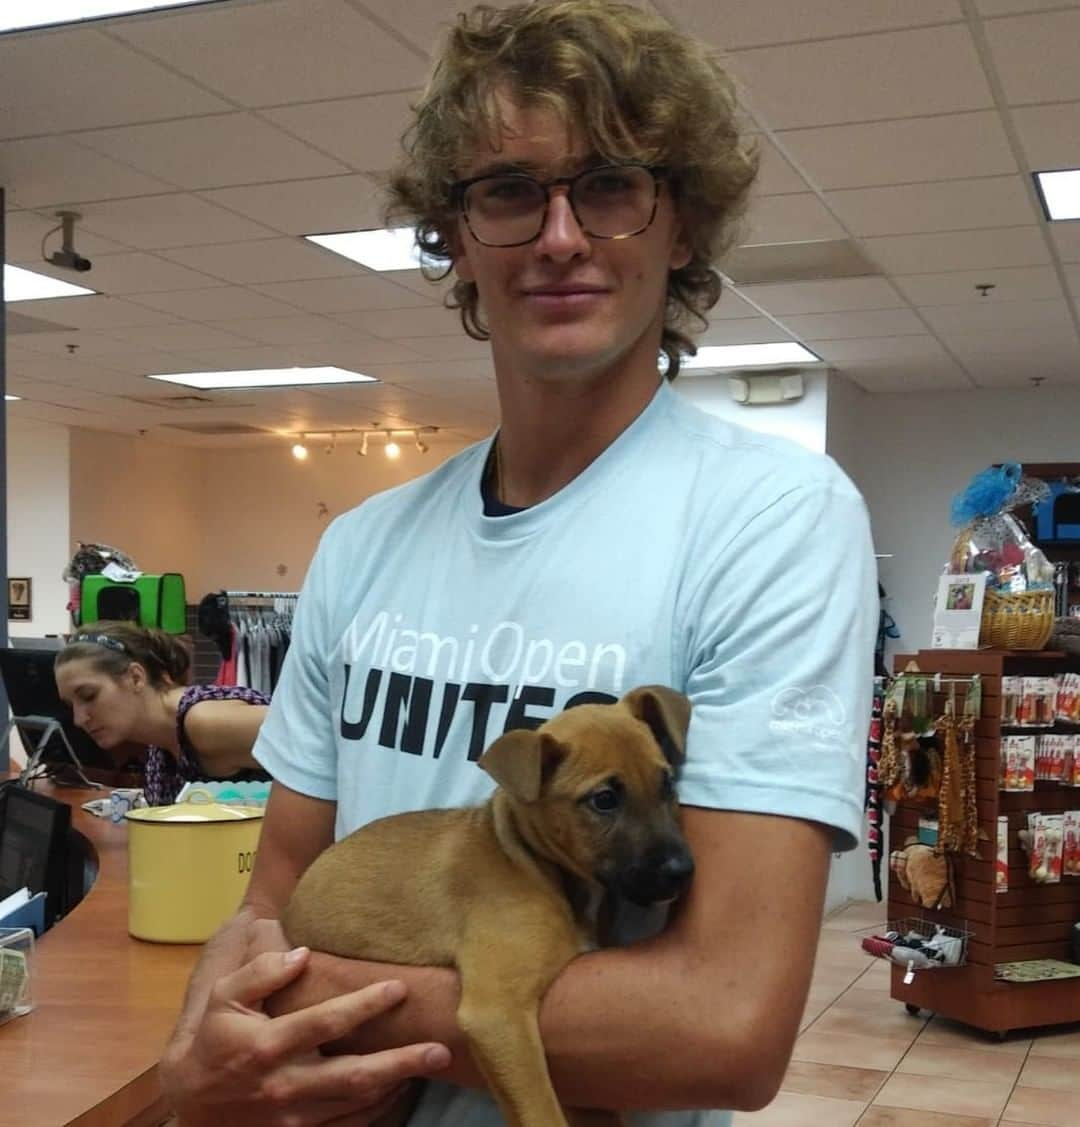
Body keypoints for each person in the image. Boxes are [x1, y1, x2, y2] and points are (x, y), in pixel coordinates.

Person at [158, 2, 878, 1124]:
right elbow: (275, 898)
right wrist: (203, 1038)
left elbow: (724, 1025)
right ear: (455, 235)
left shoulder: (769, 519)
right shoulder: (362, 546)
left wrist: (316, 1004)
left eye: (608, 184)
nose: (558, 237)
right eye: (507, 190)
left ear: (679, 222)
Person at [54, 620, 271, 805]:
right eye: (70, 705)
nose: (79, 719)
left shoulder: (204, 723)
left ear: (136, 677)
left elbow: (304, 738)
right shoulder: (159, 741)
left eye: (89, 695)